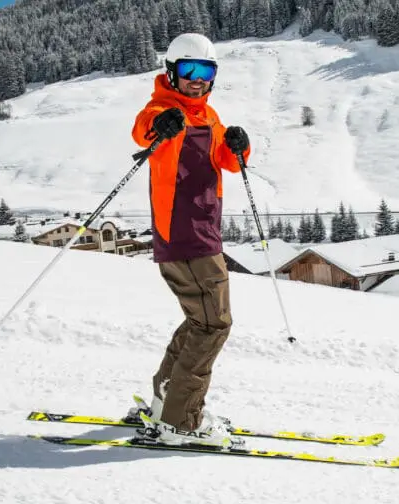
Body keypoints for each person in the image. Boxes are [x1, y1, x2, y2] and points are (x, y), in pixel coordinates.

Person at [129, 32, 251, 446]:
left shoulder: (209, 116)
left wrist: (239, 148)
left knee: (202, 320)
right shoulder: (162, 109)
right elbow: (143, 131)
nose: (197, 80)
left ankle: (168, 398)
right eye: (189, 70)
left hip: (203, 230)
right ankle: (182, 420)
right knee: (215, 324)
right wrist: (160, 127)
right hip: (185, 235)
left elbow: (227, 164)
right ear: (172, 72)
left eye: (206, 71)